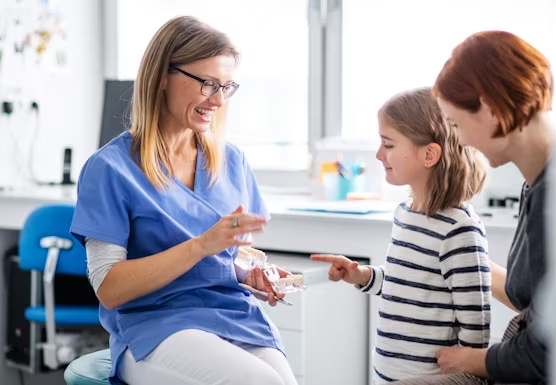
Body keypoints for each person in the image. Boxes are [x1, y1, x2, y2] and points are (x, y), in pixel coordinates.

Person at [70, 16, 297, 385]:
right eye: (208, 84)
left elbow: (239, 255)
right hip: (155, 325)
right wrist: (202, 245)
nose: (219, 100)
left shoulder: (231, 161)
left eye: (227, 87)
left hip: (231, 315)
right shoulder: (109, 169)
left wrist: (253, 275)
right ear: (162, 76)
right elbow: (109, 288)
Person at [311, 87, 491, 384]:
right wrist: (362, 276)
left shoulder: (458, 229)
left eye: (389, 144)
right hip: (391, 374)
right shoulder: (405, 214)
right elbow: (405, 285)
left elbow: (477, 319)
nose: (379, 154)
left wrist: (466, 372)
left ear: (429, 154)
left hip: (432, 378)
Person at [432, 30, 556, 385]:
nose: (459, 140)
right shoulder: (539, 182)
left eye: (455, 124)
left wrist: (472, 359)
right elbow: (535, 293)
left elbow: (547, 354)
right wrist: (464, 259)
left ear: (488, 108)